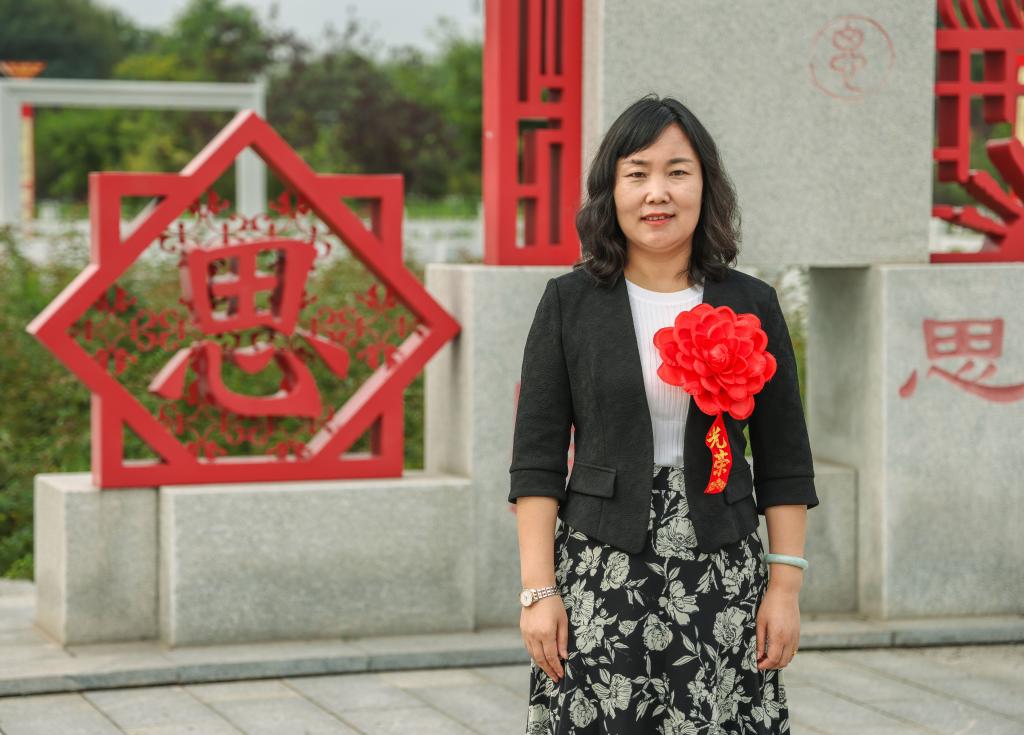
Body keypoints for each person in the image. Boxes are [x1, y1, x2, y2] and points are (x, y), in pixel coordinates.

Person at [508, 94, 820, 734]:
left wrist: (784, 589)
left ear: (706, 186)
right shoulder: (570, 302)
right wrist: (539, 592)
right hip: (599, 570)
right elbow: (537, 461)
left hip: (723, 571)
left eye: (678, 171)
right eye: (638, 173)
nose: (658, 192)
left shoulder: (751, 304)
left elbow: (785, 460)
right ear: (611, 190)